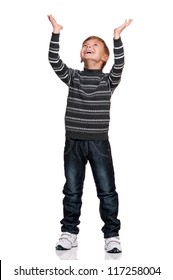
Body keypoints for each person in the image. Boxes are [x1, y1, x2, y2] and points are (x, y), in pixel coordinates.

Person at [48, 14, 132, 253]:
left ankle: (112, 235)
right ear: (81, 54)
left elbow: (120, 65)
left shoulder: (108, 81)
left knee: (106, 190)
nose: (88, 47)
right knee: (72, 190)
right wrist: (56, 32)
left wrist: (116, 38)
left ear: (104, 57)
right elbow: (54, 61)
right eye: (85, 45)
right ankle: (69, 232)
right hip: (73, 142)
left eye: (95, 45)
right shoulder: (73, 77)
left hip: (98, 144)